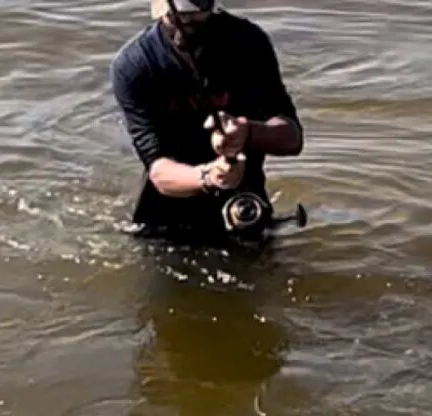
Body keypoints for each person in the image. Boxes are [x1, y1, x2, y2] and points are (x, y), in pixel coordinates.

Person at [110, 0, 304, 242]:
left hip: (243, 202)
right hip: (167, 211)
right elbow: (158, 170)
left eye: (195, 17)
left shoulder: (249, 42)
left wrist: (248, 132)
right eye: (176, 17)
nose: (185, 26)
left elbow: (292, 138)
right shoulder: (134, 66)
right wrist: (210, 176)